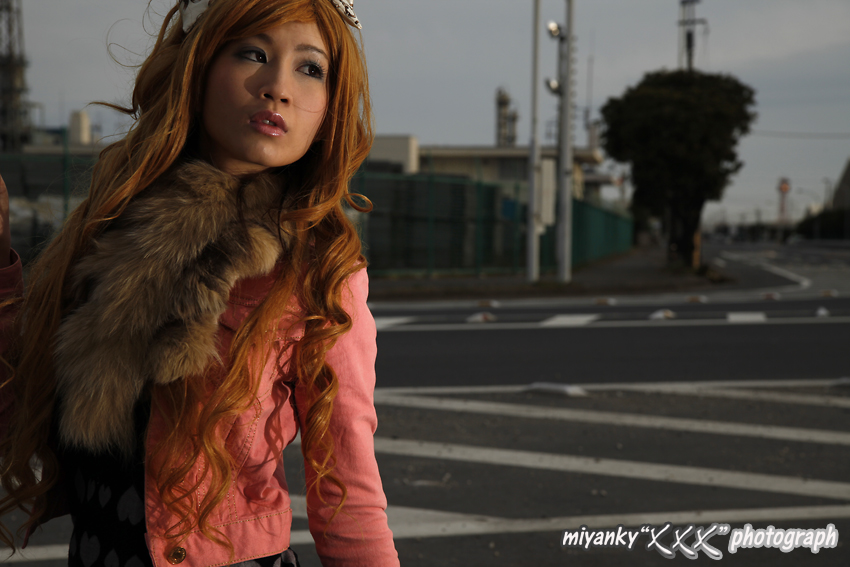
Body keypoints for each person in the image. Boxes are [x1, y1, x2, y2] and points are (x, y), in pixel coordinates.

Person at [0, 0, 400, 565]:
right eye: (253, 54)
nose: (278, 87)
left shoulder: (318, 271)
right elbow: (17, 410)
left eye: (311, 68)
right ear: (199, 64)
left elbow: (347, 492)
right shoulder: (110, 228)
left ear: (329, 111)